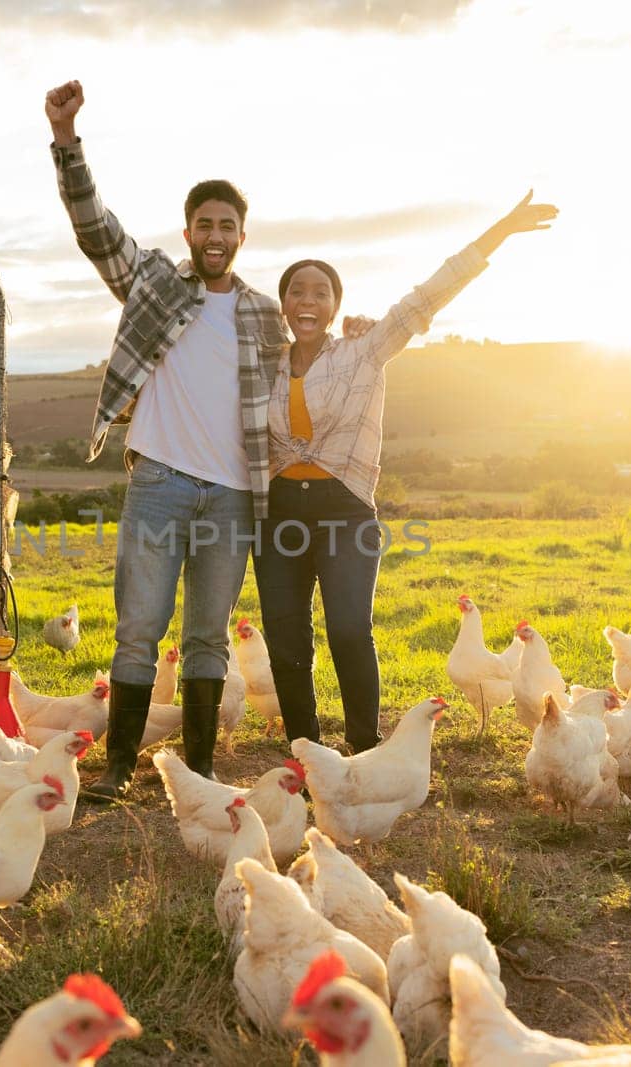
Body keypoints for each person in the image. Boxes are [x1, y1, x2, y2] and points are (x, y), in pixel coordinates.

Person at [46, 79, 292, 801]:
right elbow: (97, 229)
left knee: (209, 637)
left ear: (241, 237)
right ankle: (122, 764)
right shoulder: (154, 282)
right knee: (138, 631)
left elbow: (298, 382)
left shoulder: (262, 315)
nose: (215, 236)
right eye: (204, 224)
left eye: (228, 226)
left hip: (234, 499)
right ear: (188, 233)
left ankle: (202, 769)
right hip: (160, 484)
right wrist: (66, 141)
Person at [256, 192, 558, 752]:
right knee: (286, 642)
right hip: (276, 515)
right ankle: (305, 752)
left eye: (321, 292)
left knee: (349, 630)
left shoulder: (363, 352)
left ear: (334, 304)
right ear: (283, 306)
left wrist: (503, 229)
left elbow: (431, 291)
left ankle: (365, 748)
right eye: (296, 290)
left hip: (343, 510)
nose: (308, 299)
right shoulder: (262, 365)